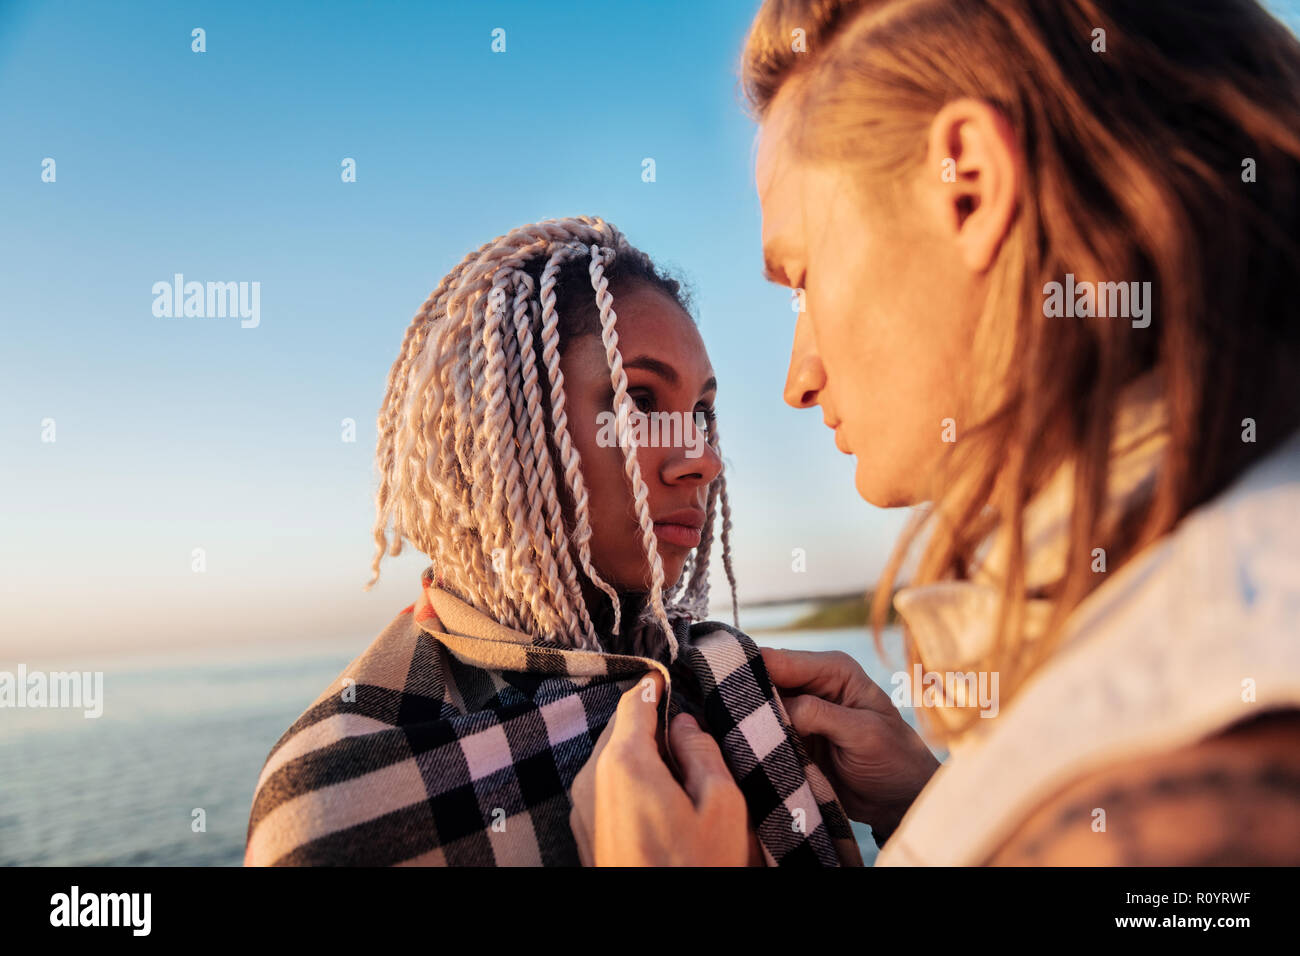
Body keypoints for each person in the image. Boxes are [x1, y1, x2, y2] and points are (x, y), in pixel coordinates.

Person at [569, 0, 1300, 865]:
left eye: (802, 282)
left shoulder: (1193, 789)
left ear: (972, 188)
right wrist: (941, 802)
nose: (799, 380)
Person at [243, 216, 860, 866]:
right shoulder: (337, 793)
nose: (702, 459)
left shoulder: (728, 678)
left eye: (702, 413)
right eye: (639, 402)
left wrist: (915, 804)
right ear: (503, 434)